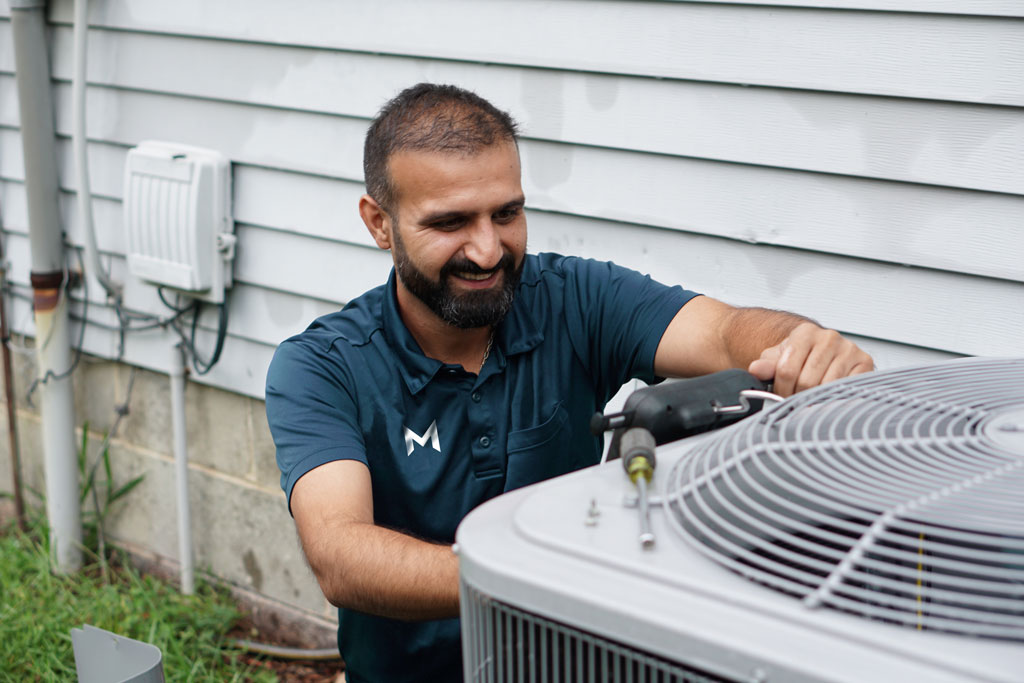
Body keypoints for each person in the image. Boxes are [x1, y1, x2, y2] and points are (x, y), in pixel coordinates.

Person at [265, 83, 874, 683]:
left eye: (507, 213)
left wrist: (802, 344)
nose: (487, 251)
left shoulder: (575, 299)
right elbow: (341, 554)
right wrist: (549, 576)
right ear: (380, 223)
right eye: (450, 222)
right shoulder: (322, 367)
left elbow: (724, 332)